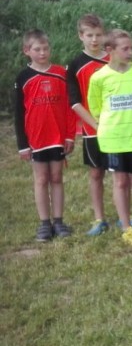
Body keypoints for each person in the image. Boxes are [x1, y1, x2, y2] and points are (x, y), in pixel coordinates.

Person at [87, 29, 132, 245]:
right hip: (113, 138)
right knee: (121, 181)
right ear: (110, 50)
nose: (130, 52)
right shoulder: (99, 77)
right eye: (125, 49)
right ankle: (126, 228)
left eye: (131, 48)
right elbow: (95, 106)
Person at [15, 29, 75, 242]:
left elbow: (69, 107)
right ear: (27, 51)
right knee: (41, 179)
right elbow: (19, 113)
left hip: (57, 137)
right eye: (37, 49)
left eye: (45, 48)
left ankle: (58, 221)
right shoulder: (23, 77)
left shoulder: (60, 73)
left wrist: (69, 135)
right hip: (36, 139)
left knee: (57, 177)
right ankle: (44, 223)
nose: (42, 53)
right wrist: (23, 144)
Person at [67, 13, 113, 236]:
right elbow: (74, 102)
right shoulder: (75, 65)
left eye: (98, 35)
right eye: (89, 35)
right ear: (81, 36)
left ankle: (125, 217)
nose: (94, 40)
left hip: (117, 127)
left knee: (122, 174)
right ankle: (99, 219)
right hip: (93, 129)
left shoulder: (114, 58)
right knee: (96, 174)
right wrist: (96, 124)